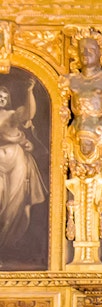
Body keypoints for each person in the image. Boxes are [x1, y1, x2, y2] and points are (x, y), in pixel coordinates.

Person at [0, 78, 46, 254]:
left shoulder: (13, 114)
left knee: (16, 203)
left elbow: (29, 114)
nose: (1, 98)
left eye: (4, 96)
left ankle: (9, 244)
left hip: (16, 160)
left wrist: (29, 91)